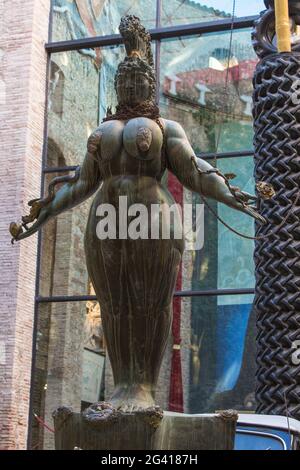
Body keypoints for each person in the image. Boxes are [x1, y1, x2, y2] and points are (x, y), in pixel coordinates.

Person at [10, 15, 264, 413]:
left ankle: (143, 386)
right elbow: (80, 184)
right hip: (105, 223)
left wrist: (238, 199)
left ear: (148, 83)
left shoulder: (166, 127)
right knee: (113, 303)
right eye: (124, 82)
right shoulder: (104, 130)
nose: (129, 86)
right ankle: (121, 385)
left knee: (151, 301)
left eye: (137, 81)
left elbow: (197, 173)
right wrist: (39, 216)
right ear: (118, 85)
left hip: (154, 220)